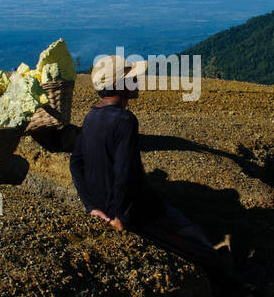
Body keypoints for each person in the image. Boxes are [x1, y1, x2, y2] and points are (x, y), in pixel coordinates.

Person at [70, 54, 235, 270]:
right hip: (135, 207)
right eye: (133, 78)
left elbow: (75, 163)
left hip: (104, 205)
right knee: (187, 232)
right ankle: (225, 273)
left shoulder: (91, 116)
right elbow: (124, 172)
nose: (138, 81)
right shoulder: (125, 121)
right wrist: (118, 215)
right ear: (119, 85)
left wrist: (91, 206)